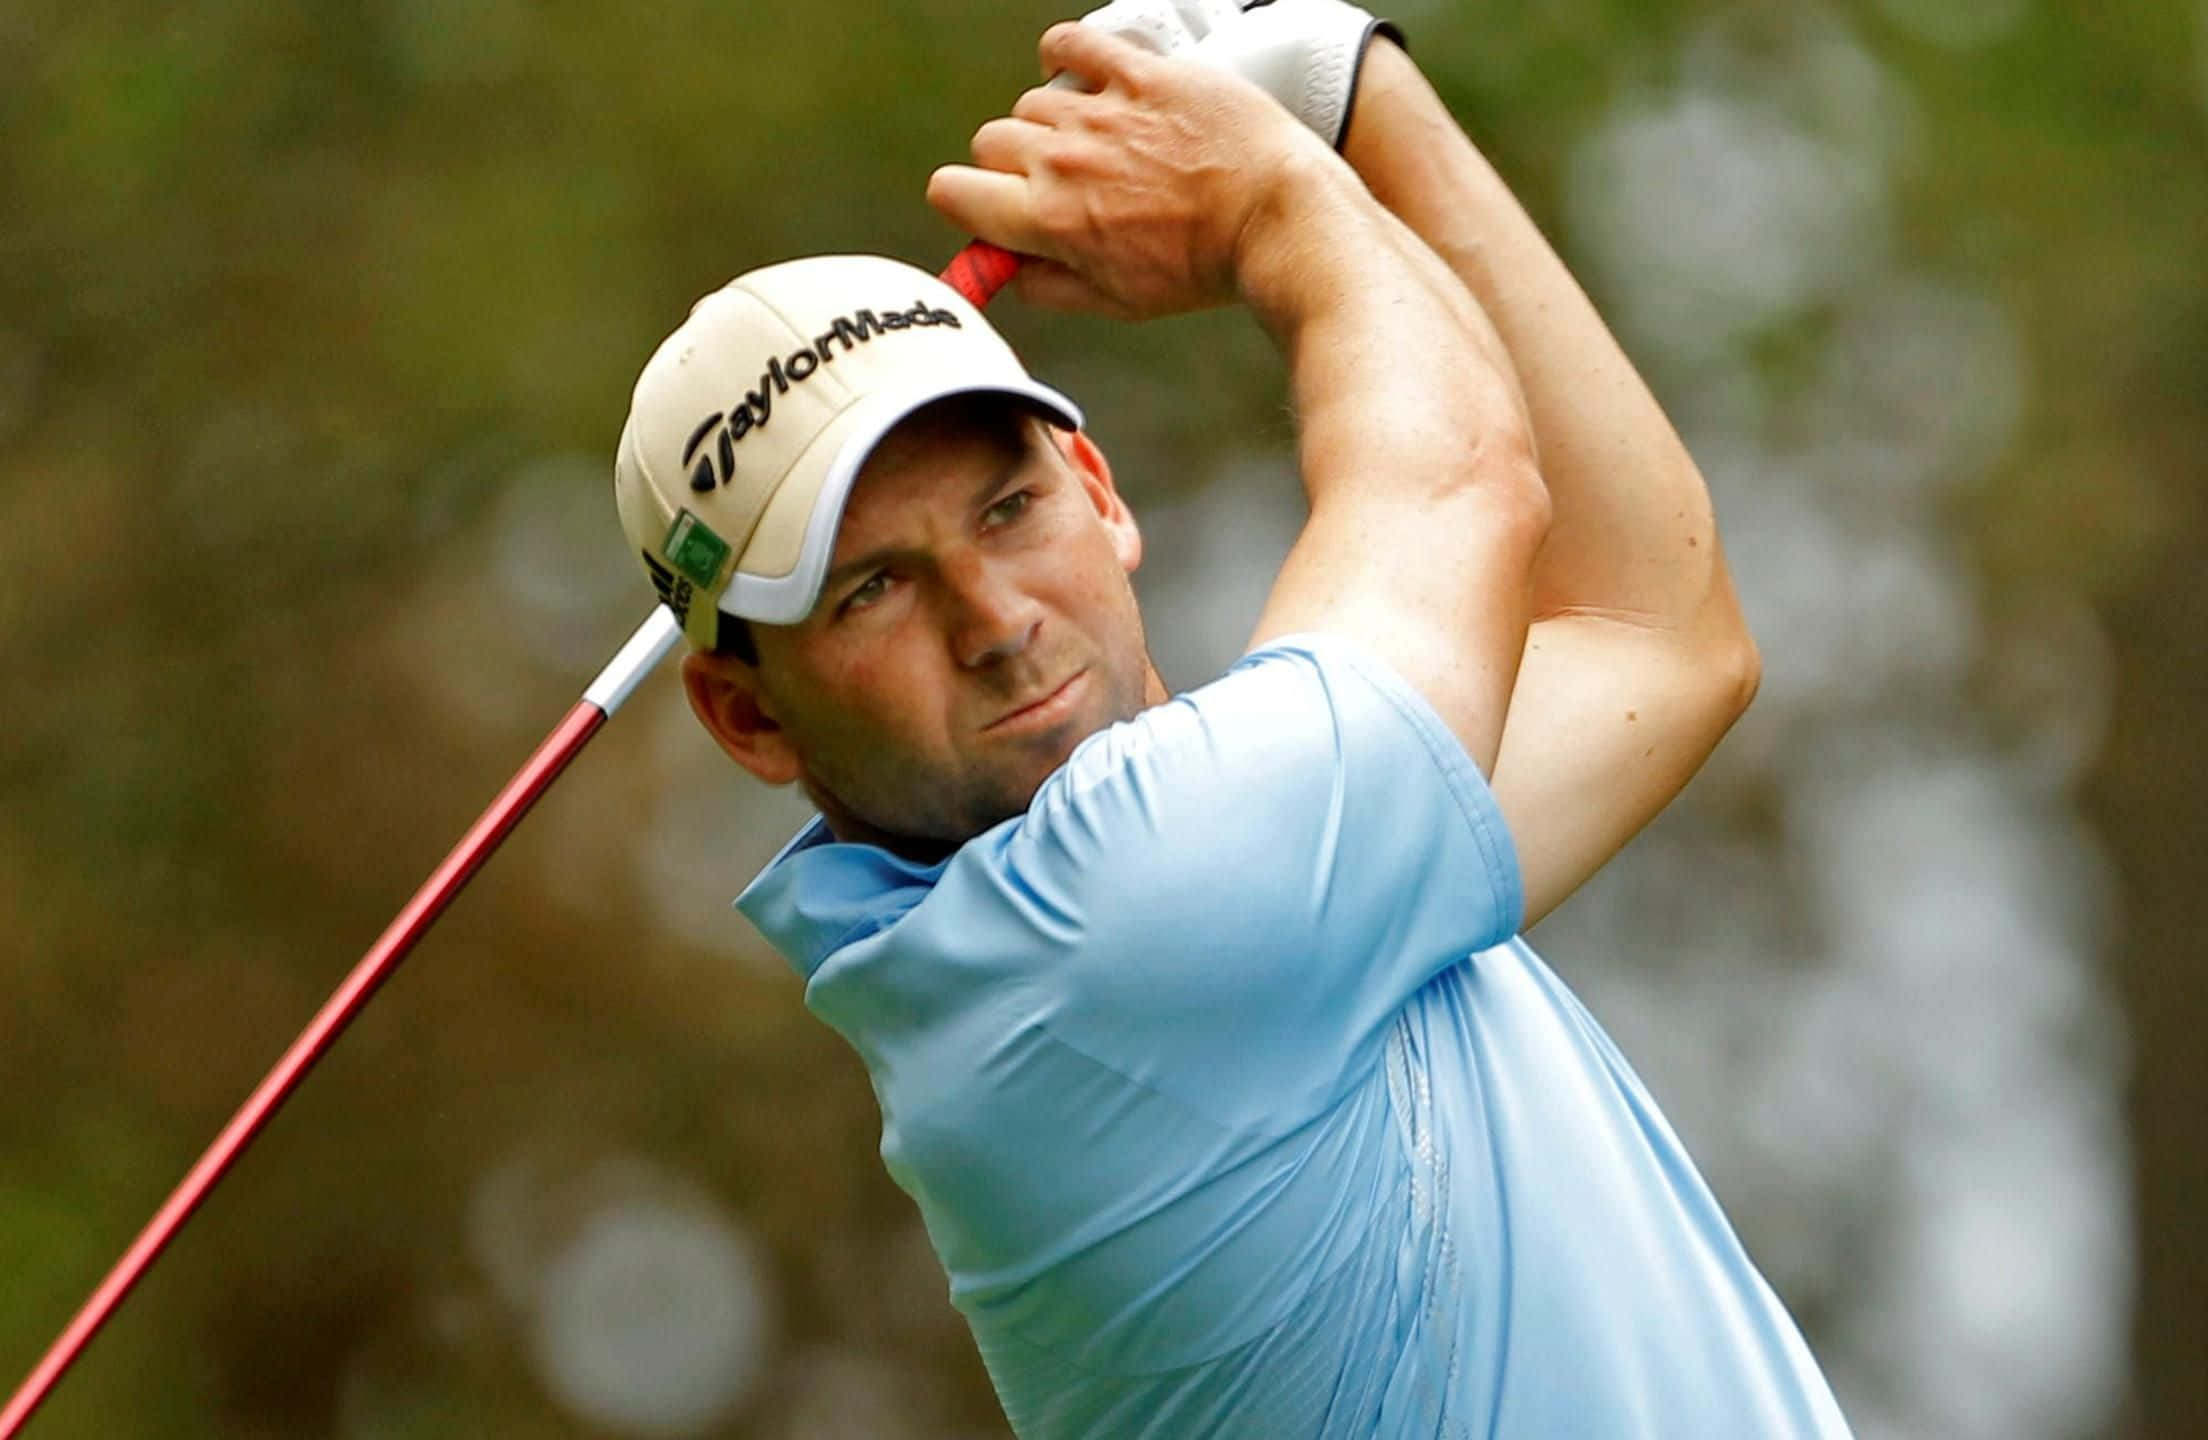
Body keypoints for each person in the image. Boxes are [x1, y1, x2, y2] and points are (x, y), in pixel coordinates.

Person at [610, 4, 1852, 1435]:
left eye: (1009, 510)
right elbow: (1463, 478)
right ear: (746, 718)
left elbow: (1659, 634)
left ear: (1100, 493)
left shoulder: (1304, 886)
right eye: (872, 590)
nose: (995, 620)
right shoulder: (1111, 947)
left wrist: (1352, 102)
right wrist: (1274, 190)